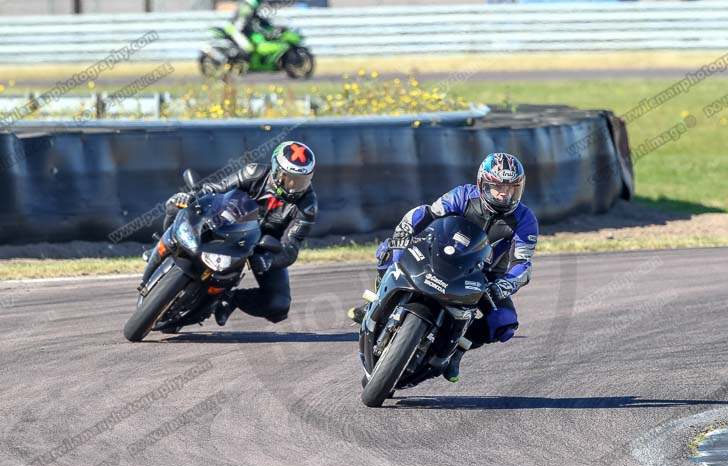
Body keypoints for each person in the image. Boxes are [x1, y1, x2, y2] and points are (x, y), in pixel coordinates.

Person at [349, 153, 538, 383]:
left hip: (484, 275)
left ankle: (457, 350)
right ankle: (377, 300)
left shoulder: (525, 219)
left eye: (511, 188)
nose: (503, 194)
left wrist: (504, 285)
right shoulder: (462, 195)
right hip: (441, 255)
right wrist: (403, 234)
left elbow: (523, 263)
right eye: (497, 187)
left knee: (505, 322)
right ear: (482, 184)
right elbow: (426, 214)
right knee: (389, 251)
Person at [145, 141, 317, 326]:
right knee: (175, 206)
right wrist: (193, 196)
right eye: (289, 178)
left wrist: (269, 260)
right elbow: (218, 188)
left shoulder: (307, 206)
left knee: (278, 305)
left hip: (262, 247)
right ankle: (164, 248)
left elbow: (290, 248)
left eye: (301, 181)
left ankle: (229, 299)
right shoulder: (254, 173)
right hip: (228, 224)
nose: (294, 186)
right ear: (276, 169)